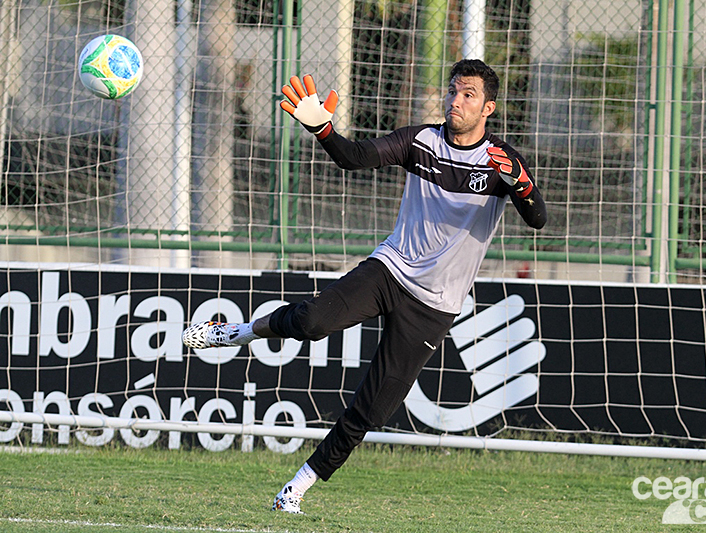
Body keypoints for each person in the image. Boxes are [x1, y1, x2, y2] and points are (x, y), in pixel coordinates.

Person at [182, 59, 547, 514]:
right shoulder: (421, 141)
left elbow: (538, 220)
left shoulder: (501, 162)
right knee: (313, 321)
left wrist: (523, 187)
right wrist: (323, 129)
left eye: (468, 94)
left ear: (488, 107)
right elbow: (354, 158)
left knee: (371, 410)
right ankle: (236, 333)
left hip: (434, 307)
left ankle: (295, 489)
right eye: (453, 90)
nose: (456, 100)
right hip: (389, 271)